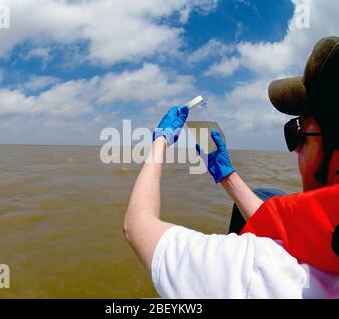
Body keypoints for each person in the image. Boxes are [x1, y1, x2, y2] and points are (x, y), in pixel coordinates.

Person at [123, 37, 339, 298]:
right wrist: (225, 174)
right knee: (267, 196)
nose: (296, 150)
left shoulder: (261, 274)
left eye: (297, 132)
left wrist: (161, 139)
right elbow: (295, 228)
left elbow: (137, 226)